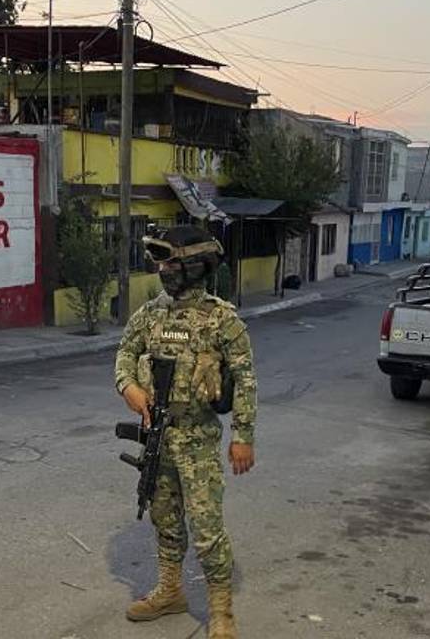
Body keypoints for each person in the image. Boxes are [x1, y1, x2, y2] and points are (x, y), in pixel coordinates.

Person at [114, 225, 257, 639]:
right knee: (165, 519)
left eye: (170, 261)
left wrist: (242, 436)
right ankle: (171, 591)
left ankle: (221, 612)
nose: (163, 269)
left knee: (207, 528)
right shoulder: (151, 313)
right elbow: (126, 352)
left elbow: (245, 380)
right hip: (157, 434)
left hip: (197, 439)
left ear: (194, 265)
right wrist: (130, 388)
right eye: (160, 261)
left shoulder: (222, 319)